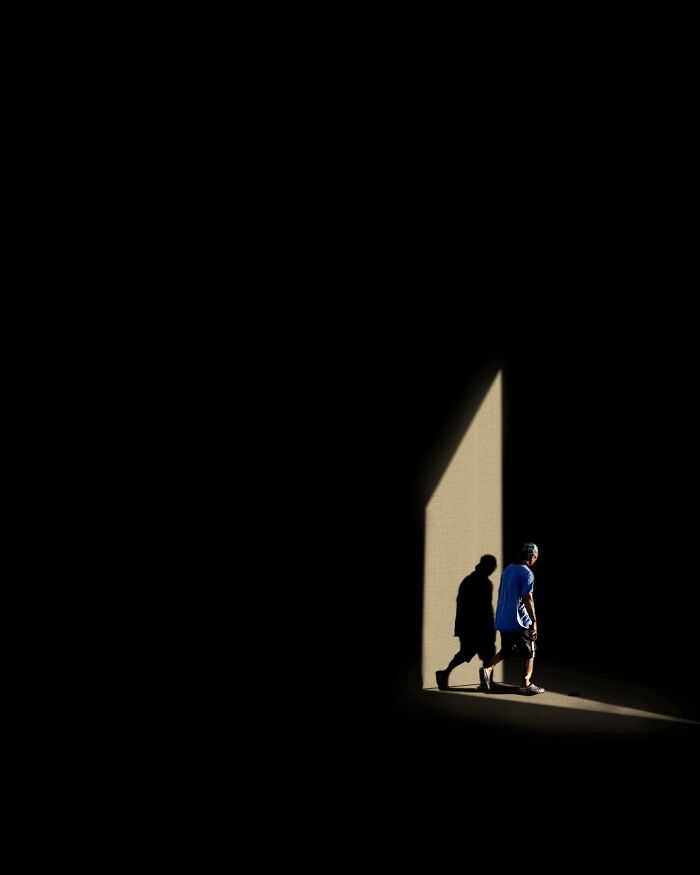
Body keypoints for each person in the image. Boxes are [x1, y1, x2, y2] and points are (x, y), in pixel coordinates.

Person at [480, 542, 545, 696]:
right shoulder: (527, 573)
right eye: (535, 557)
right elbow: (528, 598)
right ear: (531, 557)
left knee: (506, 650)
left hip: (503, 618)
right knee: (530, 652)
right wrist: (533, 622)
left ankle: (487, 670)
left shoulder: (508, 569)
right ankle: (526, 684)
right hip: (519, 620)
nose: (535, 560)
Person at [435, 555, 497, 691]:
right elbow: (478, 607)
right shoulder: (477, 582)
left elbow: (483, 607)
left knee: (483, 653)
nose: (493, 569)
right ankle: (444, 673)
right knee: (469, 653)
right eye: (492, 566)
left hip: (474, 626)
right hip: (474, 626)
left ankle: (486, 682)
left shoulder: (476, 581)